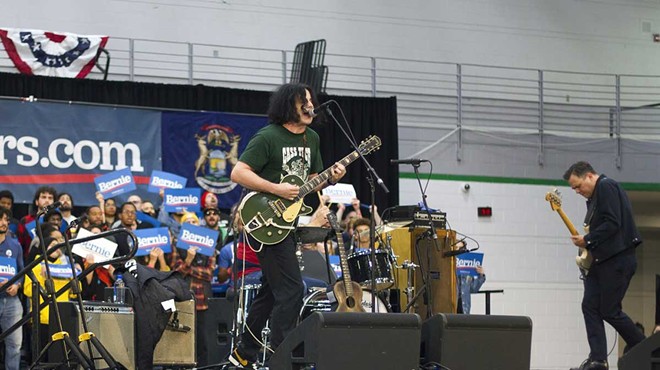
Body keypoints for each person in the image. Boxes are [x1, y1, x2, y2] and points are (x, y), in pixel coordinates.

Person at [226, 83, 346, 369]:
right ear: (286, 106)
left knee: (270, 293)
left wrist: (332, 178)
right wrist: (277, 189)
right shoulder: (268, 137)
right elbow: (238, 172)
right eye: (301, 101)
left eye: (310, 100)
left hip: (287, 223)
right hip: (265, 220)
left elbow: (312, 177)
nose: (309, 105)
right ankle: (282, 357)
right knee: (292, 290)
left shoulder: (312, 138)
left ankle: (243, 353)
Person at [564, 161, 645, 370]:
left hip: (618, 259)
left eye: (578, 185)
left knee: (609, 310)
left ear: (590, 176)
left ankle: (645, 347)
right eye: (573, 188)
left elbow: (613, 222)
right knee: (589, 305)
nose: (576, 191)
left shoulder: (606, 186)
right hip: (601, 261)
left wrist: (588, 240)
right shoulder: (592, 199)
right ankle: (598, 359)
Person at [170, 211, 216, 366]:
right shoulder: (177, 245)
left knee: (202, 339)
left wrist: (187, 267)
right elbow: (175, 271)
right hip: (182, 297)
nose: (191, 224)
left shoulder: (208, 243)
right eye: (187, 222)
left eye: (194, 221)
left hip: (202, 298)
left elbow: (209, 273)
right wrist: (188, 259)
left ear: (199, 224)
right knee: (182, 336)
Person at [0, 206, 24, 370]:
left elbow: (22, 271)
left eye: (6, 220)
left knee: (15, 345)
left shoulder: (15, 245)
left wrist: (17, 285)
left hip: (11, 301)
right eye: (0, 219)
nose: (3, 223)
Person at [17, 186, 57, 255]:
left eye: (50, 198)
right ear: (36, 202)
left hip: (56, 264)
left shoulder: (60, 222)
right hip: (31, 262)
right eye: (44, 197)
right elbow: (19, 245)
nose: (47, 200)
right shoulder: (26, 221)